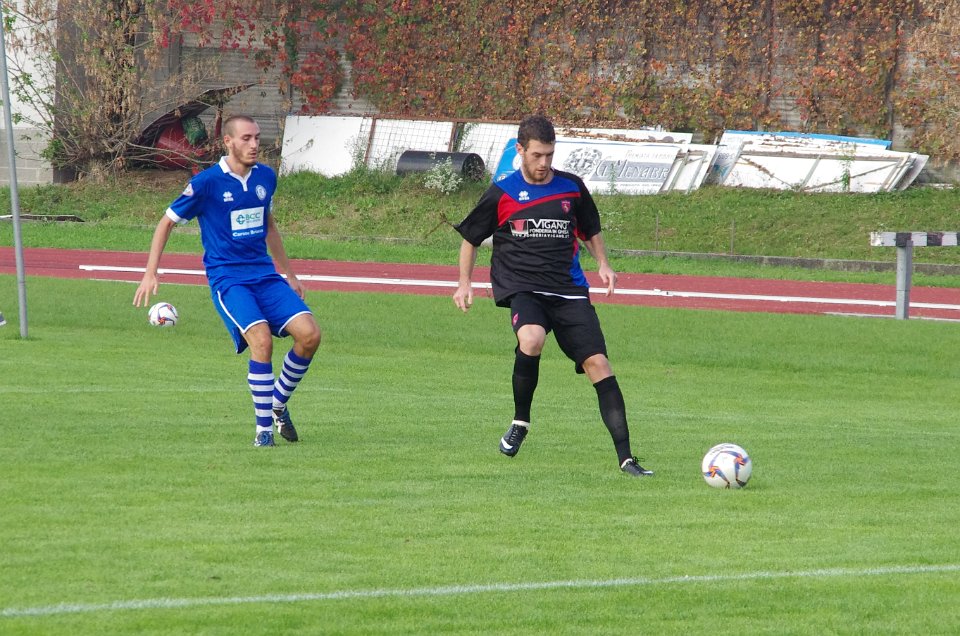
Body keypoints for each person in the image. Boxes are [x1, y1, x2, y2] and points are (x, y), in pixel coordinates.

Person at [452, 114, 653, 477]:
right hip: (524, 288)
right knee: (531, 339)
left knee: (599, 365)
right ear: (520, 150)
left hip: (568, 291)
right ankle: (521, 422)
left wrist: (603, 264)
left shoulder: (571, 188)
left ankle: (627, 459)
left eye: (549, 154)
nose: (544, 163)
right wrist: (464, 283)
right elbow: (470, 238)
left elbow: (590, 229)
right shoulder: (503, 192)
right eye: (537, 155)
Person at [133, 114, 321, 447]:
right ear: (228, 142)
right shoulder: (206, 183)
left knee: (310, 335)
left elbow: (269, 225)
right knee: (261, 341)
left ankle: (277, 404)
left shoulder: (266, 177)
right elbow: (166, 223)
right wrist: (151, 272)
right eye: (246, 138)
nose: (254, 144)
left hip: (265, 275)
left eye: (257, 137)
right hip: (229, 279)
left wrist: (289, 274)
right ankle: (263, 432)